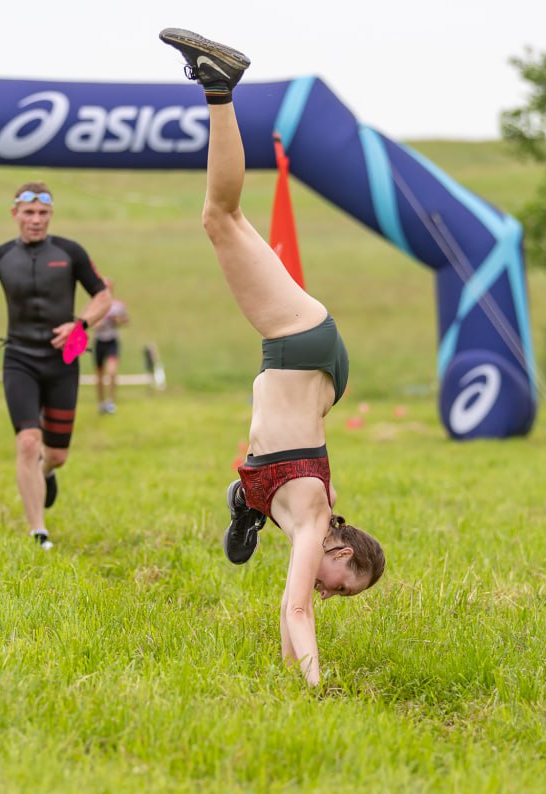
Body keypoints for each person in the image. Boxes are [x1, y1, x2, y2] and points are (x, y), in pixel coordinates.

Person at [160, 28, 386, 687]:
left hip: (314, 362)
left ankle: (244, 501)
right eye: (344, 585)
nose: (332, 594)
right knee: (219, 217)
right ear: (340, 550)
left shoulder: (311, 517)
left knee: (224, 218)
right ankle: (220, 86)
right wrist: (317, 688)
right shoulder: (316, 523)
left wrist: (291, 671)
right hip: (300, 342)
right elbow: (295, 606)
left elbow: (291, 616)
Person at [0, 182, 112, 550]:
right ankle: (38, 532)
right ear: (15, 214)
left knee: (56, 454)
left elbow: (103, 296)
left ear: (50, 215)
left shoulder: (70, 252)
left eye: (43, 213)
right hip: (19, 359)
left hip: (63, 359)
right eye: (28, 213)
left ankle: (46, 472)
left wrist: (81, 325)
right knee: (28, 441)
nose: (36, 220)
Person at [91, 277, 129, 414]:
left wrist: (117, 320)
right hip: (99, 341)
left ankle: (111, 402)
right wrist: (97, 324)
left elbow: (125, 320)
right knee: (99, 375)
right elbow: (87, 322)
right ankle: (101, 402)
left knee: (112, 372)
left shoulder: (117, 306)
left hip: (112, 341)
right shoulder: (94, 304)